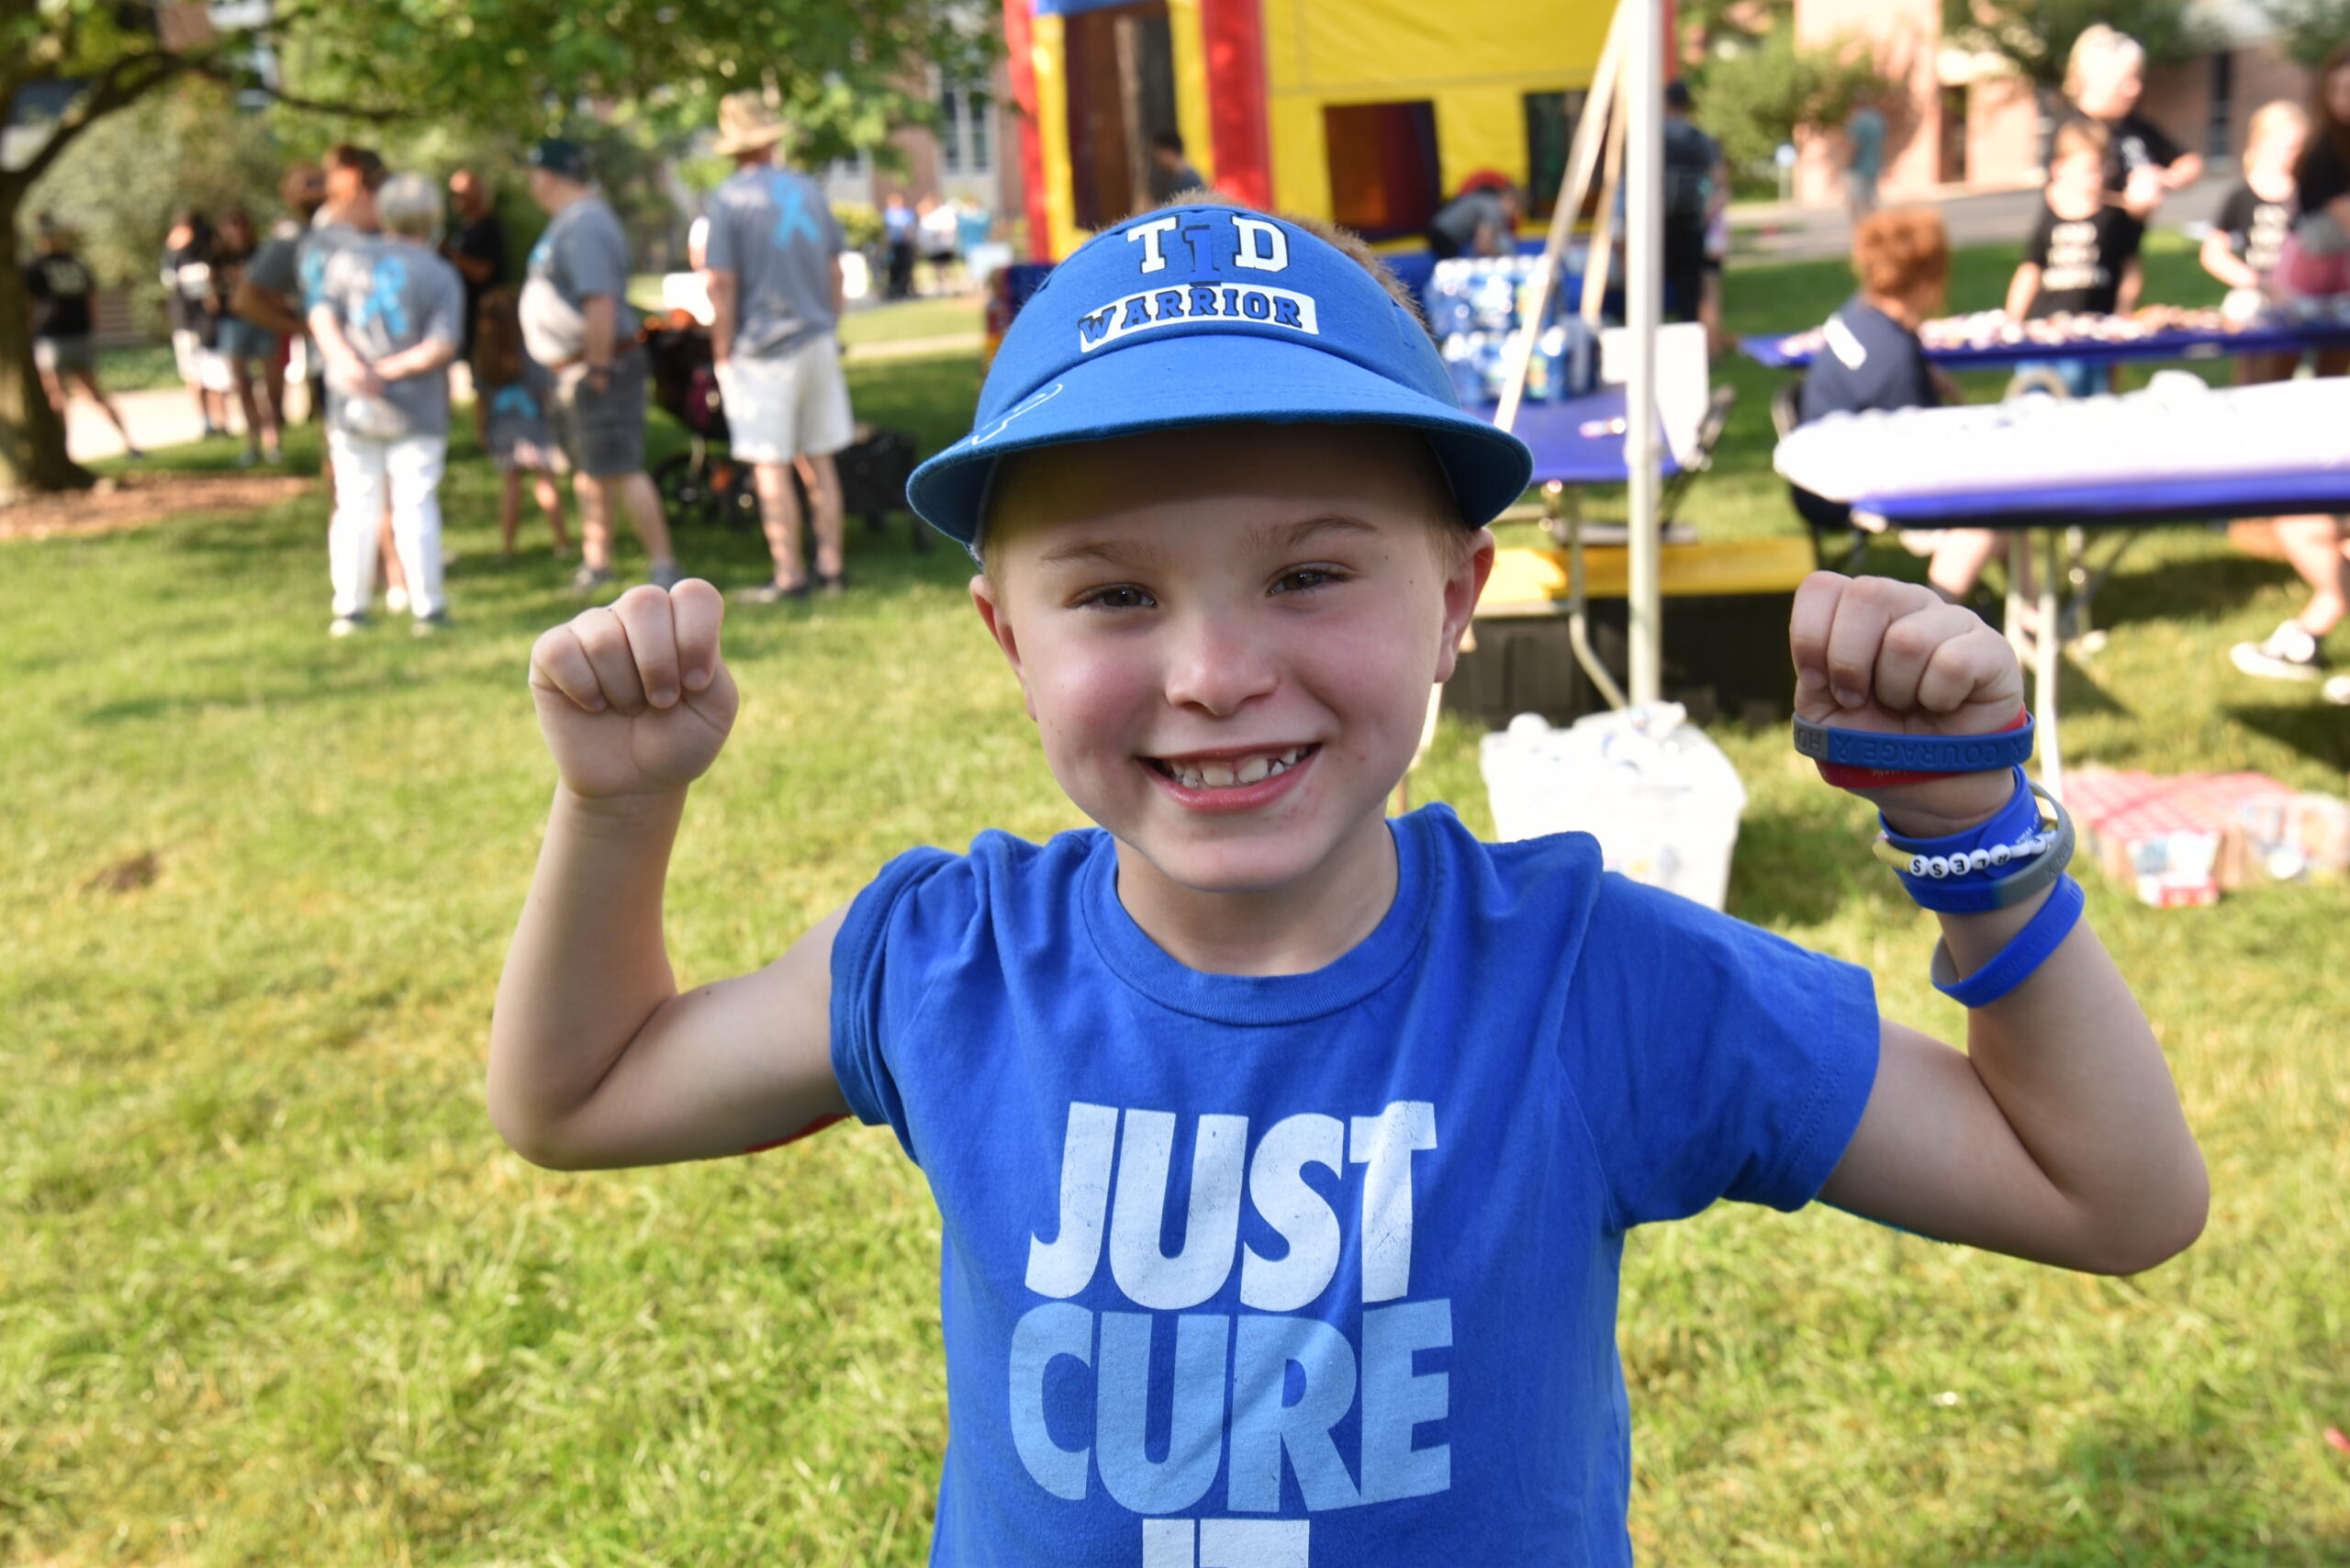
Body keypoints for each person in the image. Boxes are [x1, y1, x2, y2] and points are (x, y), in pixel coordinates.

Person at [490, 199, 2207, 1563]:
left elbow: (2111, 1199)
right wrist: (620, 809)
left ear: (1459, 600)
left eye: (1311, 571)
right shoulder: (949, 963)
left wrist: (1973, 842)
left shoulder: (1583, 981)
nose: (1219, 669)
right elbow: (575, 1095)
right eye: (1113, 595)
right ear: (1007, 636)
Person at [699, 91, 855, 602]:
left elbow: (720, 283)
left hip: (761, 349)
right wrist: (830, 324)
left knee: (770, 464)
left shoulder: (727, 201)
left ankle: (790, 574)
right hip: (816, 340)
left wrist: (721, 349)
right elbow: (836, 269)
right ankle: (832, 567)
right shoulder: (808, 189)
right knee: (821, 460)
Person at [2231, 52, 2350, 700]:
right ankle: (2312, 624)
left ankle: (2313, 623)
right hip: (2315, 295)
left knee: (2307, 518)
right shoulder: (2324, 156)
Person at [518, 136, 680, 597]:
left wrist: (599, 368)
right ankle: (598, 563)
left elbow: (601, 301)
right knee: (591, 469)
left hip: (600, 366)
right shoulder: (572, 222)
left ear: (546, 175)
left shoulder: (585, 223)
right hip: (579, 366)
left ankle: (664, 565)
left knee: (623, 465)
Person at [307, 172, 465, 638]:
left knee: (354, 502)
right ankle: (427, 607)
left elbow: (320, 314)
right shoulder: (439, 273)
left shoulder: (347, 258)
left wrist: (351, 365)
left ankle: (350, 609)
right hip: (415, 409)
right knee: (415, 503)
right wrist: (390, 370)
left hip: (351, 402)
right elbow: (440, 346)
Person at [1789, 209, 1964, 576]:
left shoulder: (1857, 316)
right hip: (1849, 487)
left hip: (1817, 469)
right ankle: (1945, 602)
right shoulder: (1894, 360)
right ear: (1928, 279)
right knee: (1988, 515)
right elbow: (1927, 448)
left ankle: (2025, 610)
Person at [2004, 118, 2139, 400]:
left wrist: (2123, 316)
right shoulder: (2049, 219)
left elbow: (2129, 271)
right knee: (2037, 397)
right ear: (2059, 169)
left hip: (2093, 331)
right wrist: (2012, 319)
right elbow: (2030, 269)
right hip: (2046, 331)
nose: (2097, 176)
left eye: (2103, 167)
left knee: (2090, 401)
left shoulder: (2114, 218)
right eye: (2088, 169)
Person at [2059, 26, 2201, 275]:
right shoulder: (2075, 132)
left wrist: (2167, 178)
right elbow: (2066, 194)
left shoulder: (2135, 127)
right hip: (2080, 269)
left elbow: (2190, 161)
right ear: (2101, 78)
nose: (2135, 89)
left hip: (2125, 262)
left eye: (2137, 79)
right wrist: (2131, 202)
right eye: (2127, 80)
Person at [473, 286, 576, 561]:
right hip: (536, 429)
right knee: (546, 484)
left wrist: (481, 431)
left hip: (503, 432)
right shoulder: (532, 352)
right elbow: (546, 393)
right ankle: (562, 542)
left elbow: (481, 400)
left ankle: (507, 546)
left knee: (511, 486)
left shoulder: (484, 356)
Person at [24, 216, 140, 457]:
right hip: (68, 336)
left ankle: (68, 452)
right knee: (74, 395)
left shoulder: (41, 266)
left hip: (57, 338)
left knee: (66, 396)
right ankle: (123, 444)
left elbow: (30, 304)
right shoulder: (72, 264)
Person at [229, 164, 325, 433]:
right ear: (290, 195)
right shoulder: (291, 240)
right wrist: (305, 330)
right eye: (308, 183)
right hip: (331, 363)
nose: (316, 188)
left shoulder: (360, 228)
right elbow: (245, 300)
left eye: (320, 180)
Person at [209, 207, 285, 466]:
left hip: (263, 322)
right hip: (232, 324)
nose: (235, 231)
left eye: (239, 224)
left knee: (271, 385)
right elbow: (213, 300)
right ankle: (251, 444)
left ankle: (274, 442)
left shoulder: (261, 254)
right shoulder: (217, 259)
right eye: (229, 225)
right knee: (242, 385)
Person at [1662, 80, 1730, 355]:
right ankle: (1691, 353)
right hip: (1693, 226)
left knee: (1656, 295)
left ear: (1666, 103)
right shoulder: (1702, 140)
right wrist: (1707, 216)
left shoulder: (1654, 139)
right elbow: (1721, 186)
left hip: (1661, 229)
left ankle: (1666, 354)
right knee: (1692, 294)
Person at [160, 208, 229, 439]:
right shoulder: (175, 258)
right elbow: (168, 281)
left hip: (209, 324)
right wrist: (173, 249)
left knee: (217, 376)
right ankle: (206, 423)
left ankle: (222, 421)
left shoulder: (210, 256)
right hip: (185, 323)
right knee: (193, 375)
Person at [443, 168, 509, 366]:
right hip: (465, 316)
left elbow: (482, 272)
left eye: (463, 192)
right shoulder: (463, 228)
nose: (457, 198)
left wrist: (450, 255)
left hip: (485, 318)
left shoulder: (490, 227)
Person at [1424, 179, 1521, 261]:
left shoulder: (1487, 200)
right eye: (1516, 209)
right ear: (1509, 200)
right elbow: (1482, 244)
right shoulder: (1494, 210)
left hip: (1437, 228)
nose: (1515, 215)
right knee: (1452, 269)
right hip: (1444, 234)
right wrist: (1501, 260)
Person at [1843, 93, 1887, 219]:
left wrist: (1847, 164)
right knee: (1871, 200)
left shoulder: (1857, 121)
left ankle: (1861, 231)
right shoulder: (1878, 120)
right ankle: (1873, 228)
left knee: (1855, 201)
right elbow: (1883, 142)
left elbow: (1854, 145)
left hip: (1858, 167)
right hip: (1874, 163)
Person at [1147, 129, 1206, 204]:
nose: (1157, 160)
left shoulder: (1188, 179)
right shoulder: (1181, 176)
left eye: (1158, 154)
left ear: (1169, 152)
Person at [882, 191, 916, 300]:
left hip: (904, 244)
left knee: (906, 267)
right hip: (893, 245)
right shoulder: (888, 214)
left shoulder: (907, 213)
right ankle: (894, 289)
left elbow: (910, 228)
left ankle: (905, 288)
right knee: (894, 268)